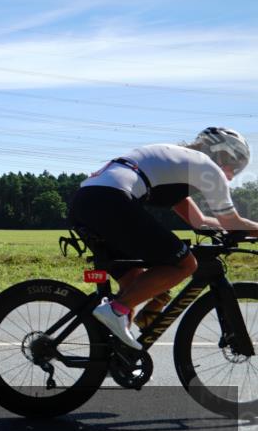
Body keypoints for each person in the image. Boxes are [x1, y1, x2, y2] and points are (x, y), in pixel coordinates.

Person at [69, 127, 258, 350]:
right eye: (234, 165)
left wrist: (237, 229)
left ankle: (117, 356)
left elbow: (199, 222)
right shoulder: (206, 165)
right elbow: (230, 222)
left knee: (134, 284)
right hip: (110, 200)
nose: (231, 174)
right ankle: (115, 310)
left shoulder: (177, 163)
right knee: (185, 264)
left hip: (85, 202)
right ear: (221, 153)